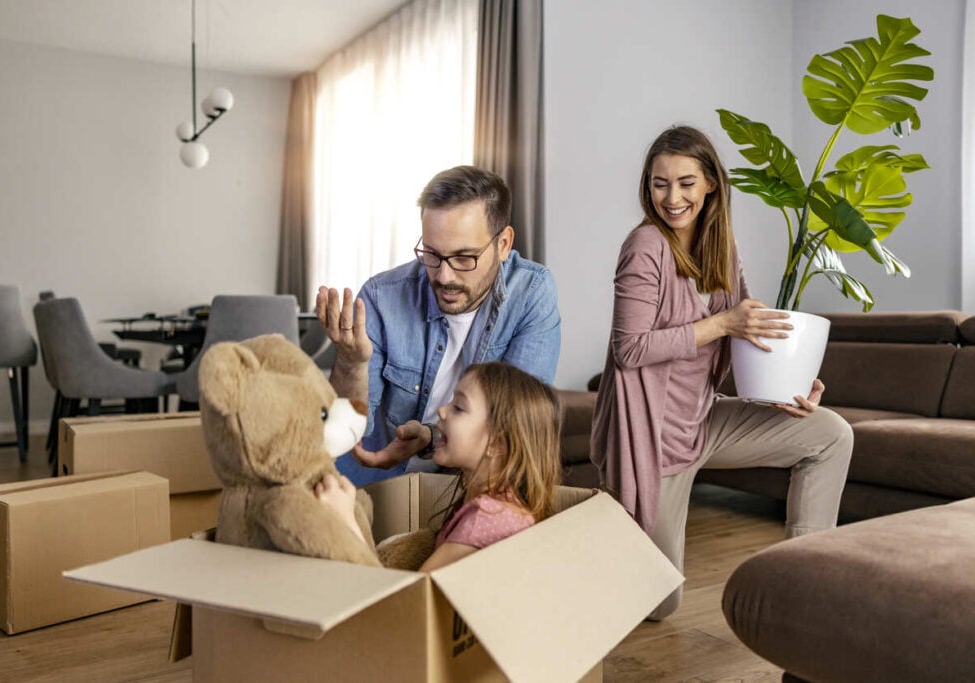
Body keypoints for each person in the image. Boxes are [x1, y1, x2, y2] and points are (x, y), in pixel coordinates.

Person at [590, 125, 853, 620]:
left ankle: (807, 576)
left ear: (711, 182)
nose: (672, 197)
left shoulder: (721, 249)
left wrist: (790, 384)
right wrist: (720, 322)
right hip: (653, 437)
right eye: (659, 183)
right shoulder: (645, 245)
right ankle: (586, 547)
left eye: (686, 182)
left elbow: (747, 330)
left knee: (831, 435)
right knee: (659, 605)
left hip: (703, 421)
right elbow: (629, 348)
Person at [316, 165, 561, 485]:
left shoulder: (531, 293)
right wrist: (351, 363)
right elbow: (344, 433)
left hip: (474, 482)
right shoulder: (380, 297)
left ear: (503, 244)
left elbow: (517, 424)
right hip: (377, 483)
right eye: (431, 254)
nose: (444, 276)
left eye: (464, 258)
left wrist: (433, 437)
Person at [314, 361, 562, 571]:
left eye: (459, 407)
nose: (442, 411)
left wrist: (346, 521)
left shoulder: (487, 517)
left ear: (496, 443)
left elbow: (406, 604)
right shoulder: (500, 506)